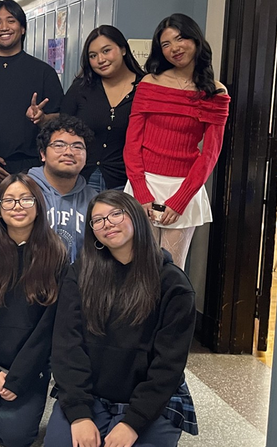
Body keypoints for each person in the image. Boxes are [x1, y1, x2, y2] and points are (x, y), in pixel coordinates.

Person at [45, 190, 198, 447]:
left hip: (149, 398)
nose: (107, 224)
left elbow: (168, 365)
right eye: (98, 220)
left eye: (116, 214)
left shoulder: (173, 284)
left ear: (137, 218)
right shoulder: (80, 274)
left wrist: (133, 423)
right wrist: (79, 414)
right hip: (91, 393)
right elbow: (67, 346)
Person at [0, 173, 67, 447]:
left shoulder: (56, 253)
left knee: (15, 437)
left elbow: (50, 327)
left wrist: (18, 377)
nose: (18, 206)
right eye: (9, 201)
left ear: (38, 205)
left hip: (29, 367)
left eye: (26, 199)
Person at [123, 13, 231, 269]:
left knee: (173, 269)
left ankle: (171, 312)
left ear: (195, 40)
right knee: (139, 267)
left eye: (180, 38)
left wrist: (181, 199)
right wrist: (140, 190)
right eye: (166, 44)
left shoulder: (215, 92)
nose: (174, 48)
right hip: (144, 183)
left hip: (184, 186)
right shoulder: (149, 83)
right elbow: (132, 141)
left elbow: (210, 154)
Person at [0, 0, 64, 225]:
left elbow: (61, 121)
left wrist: (43, 118)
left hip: (31, 169)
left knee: (28, 231)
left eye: (11, 20)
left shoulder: (43, 72)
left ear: (23, 28)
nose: (4, 27)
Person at [59, 25, 146, 191]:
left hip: (129, 182)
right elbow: (62, 129)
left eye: (106, 51)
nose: (100, 60)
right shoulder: (81, 88)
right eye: (93, 55)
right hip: (83, 180)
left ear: (123, 49)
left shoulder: (146, 88)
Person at [29, 116, 98, 262]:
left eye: (77, 147)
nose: (69, 152)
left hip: (78, 279)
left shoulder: (94, 200)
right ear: (43, 154)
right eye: (59, 145)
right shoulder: (24, 191)